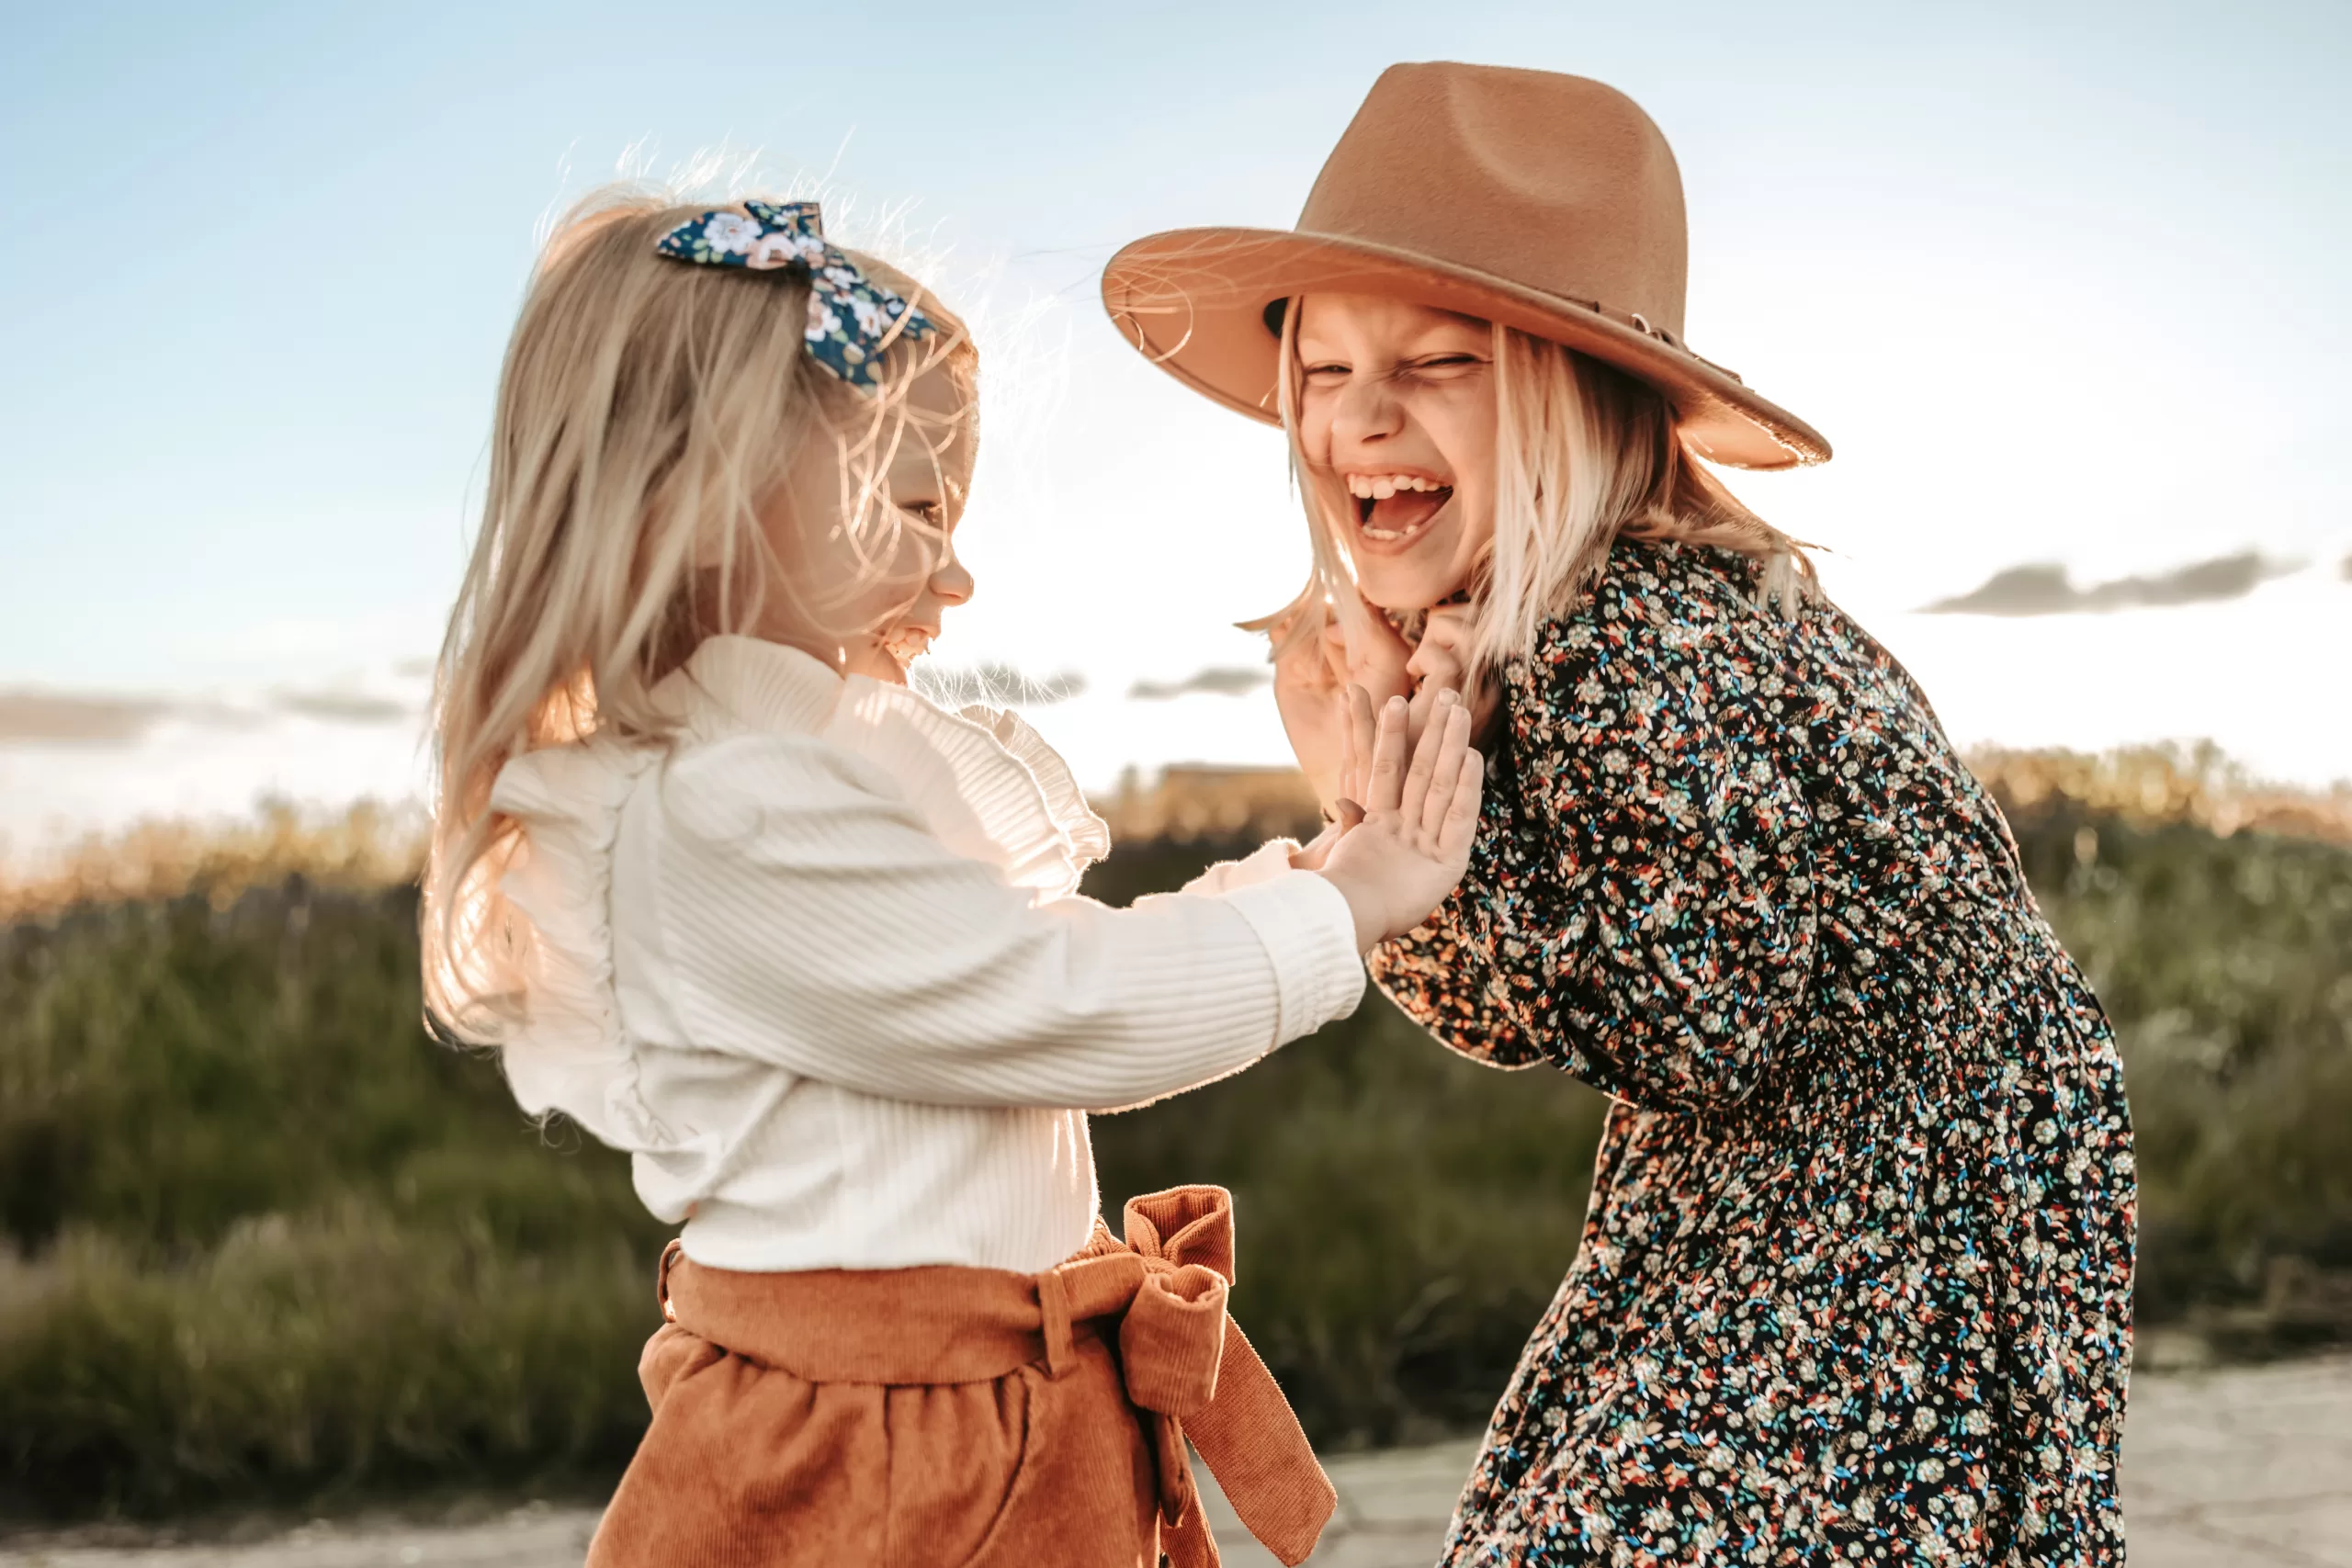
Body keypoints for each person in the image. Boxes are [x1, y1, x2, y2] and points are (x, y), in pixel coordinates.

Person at [1103, 62, 2135, 1565]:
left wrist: (1383, 811)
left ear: (1572, 390)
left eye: (1439, 362)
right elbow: (1597, 994)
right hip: (1885, 1162)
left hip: (1874, 1191)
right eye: (1323, 373)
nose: (1361, 420)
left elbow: (1702, 1023)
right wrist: (1423, 806)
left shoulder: (1620, 630)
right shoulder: (1615, 606)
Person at [421, 186, 1486, 1567]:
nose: (960, 572)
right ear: (714, 494)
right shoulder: (724, 812)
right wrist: (1350, 900)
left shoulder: (795, 771)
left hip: (972, 1419)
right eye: (915, 506)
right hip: (881, 1460)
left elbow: (1041, 958)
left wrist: (1322, 866)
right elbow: (1063, 1005)